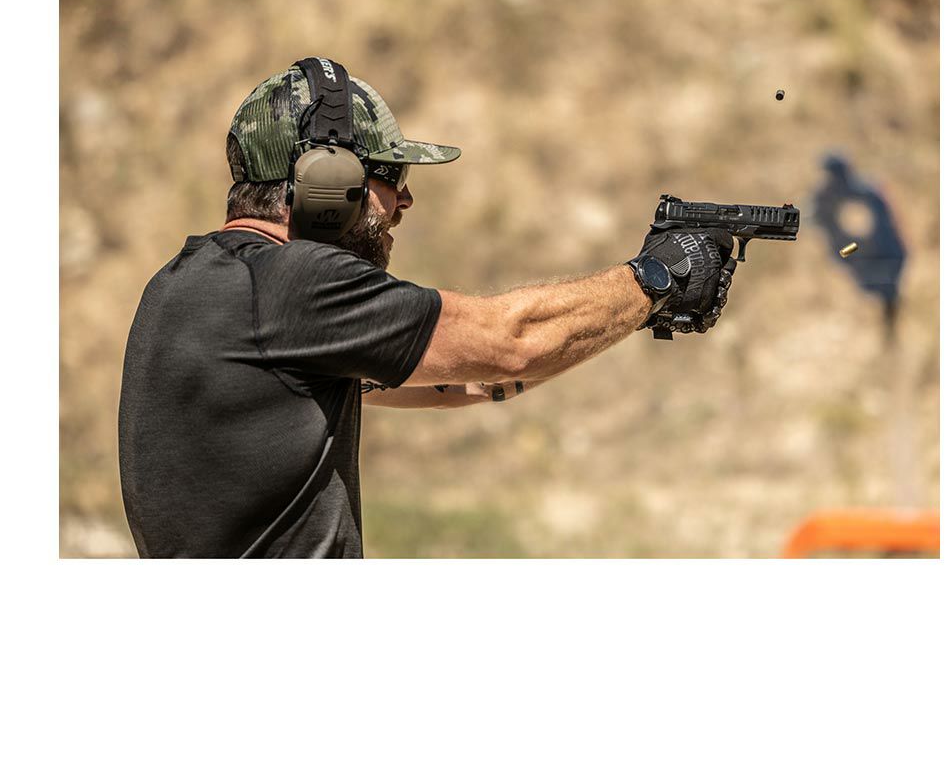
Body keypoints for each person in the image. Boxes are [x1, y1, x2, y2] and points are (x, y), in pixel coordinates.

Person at [118, 59, 736, 558]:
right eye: (389, 174)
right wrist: (660, 276)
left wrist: (619, 314)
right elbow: (510, 341)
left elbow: (468, 380)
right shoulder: (295, 285)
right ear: (326, 180)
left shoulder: (184, 285)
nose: (406, 199)